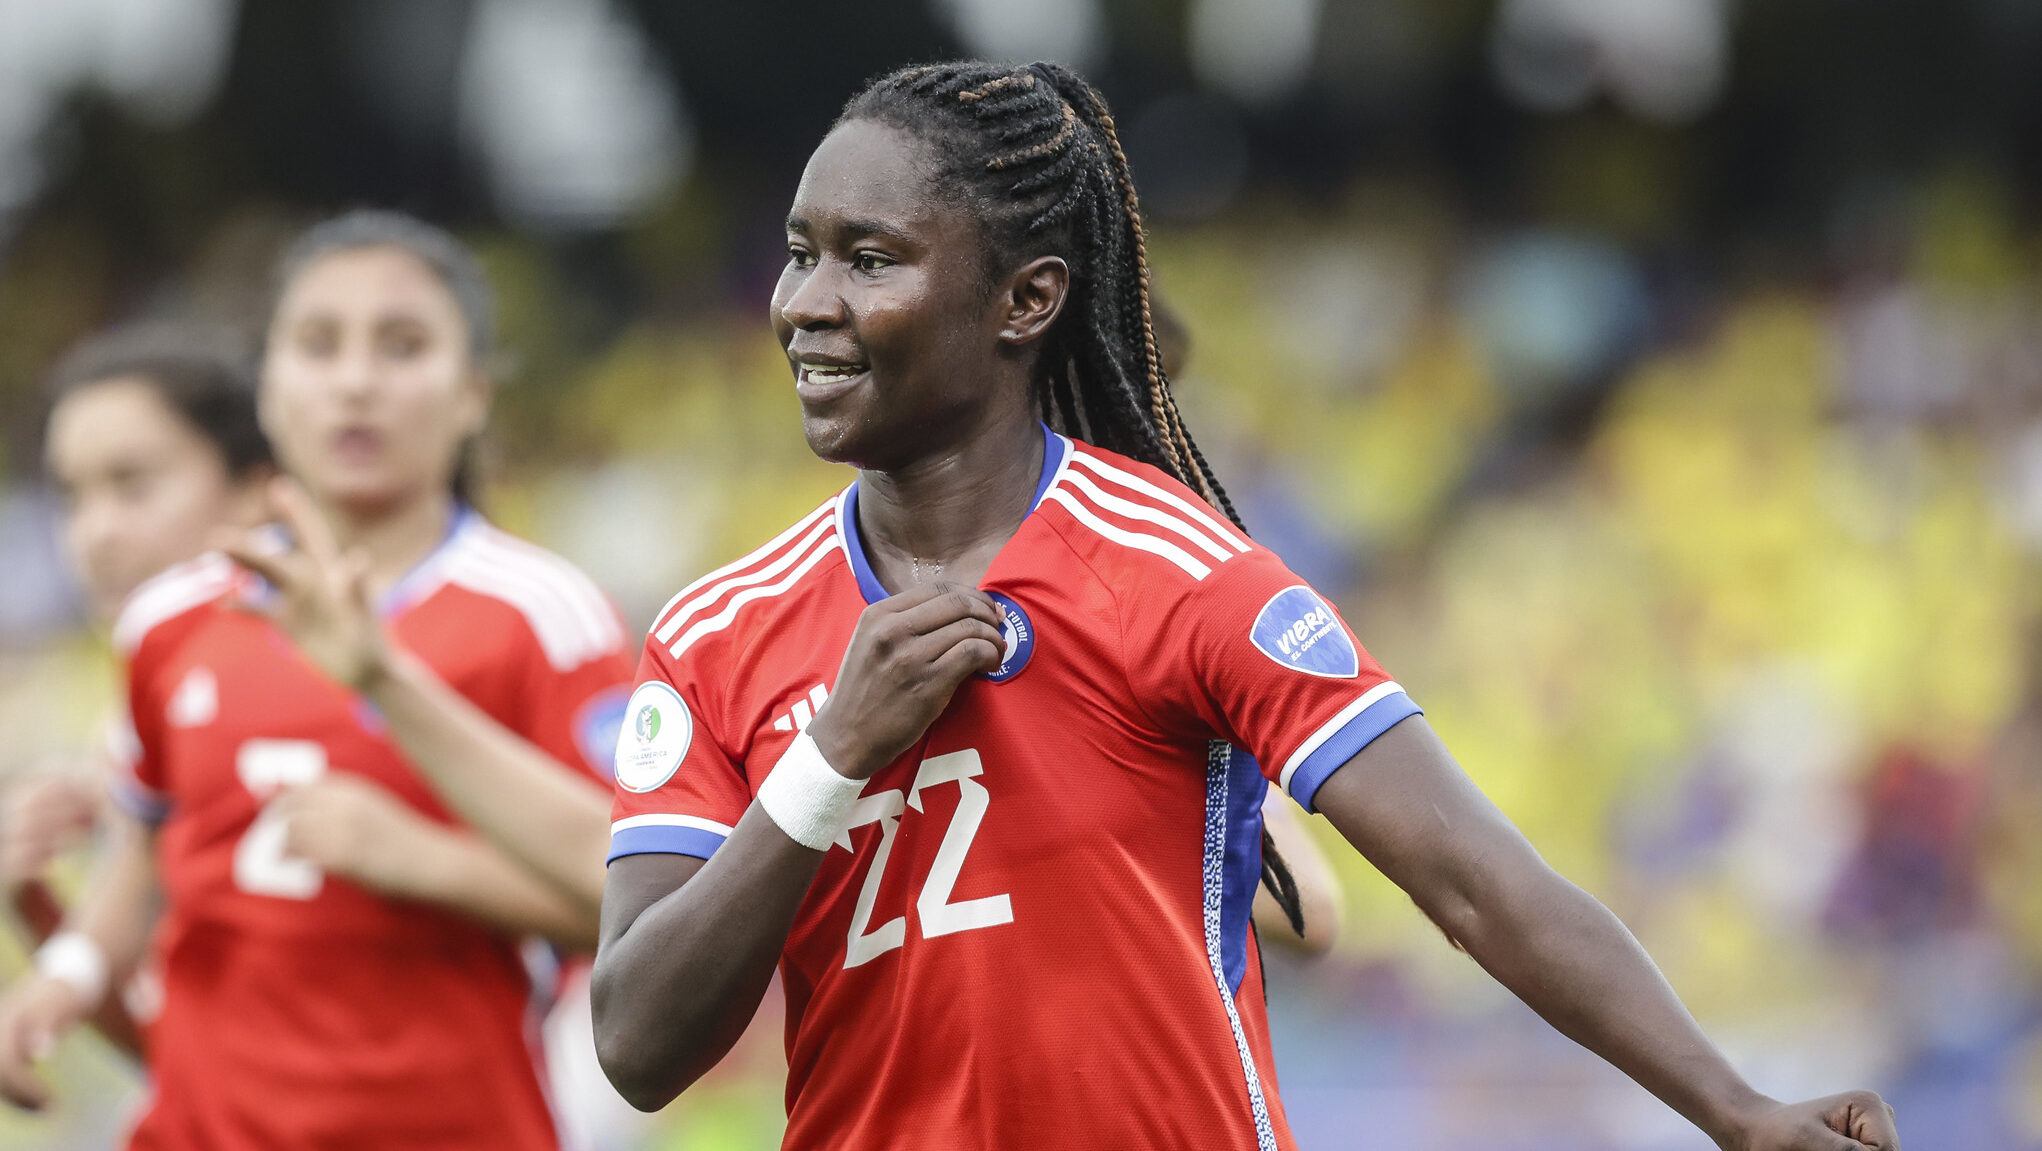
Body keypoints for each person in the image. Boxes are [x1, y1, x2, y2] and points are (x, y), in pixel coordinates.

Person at [592, 60, 1901, 1150]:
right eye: (800, 253)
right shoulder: (717, 630)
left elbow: (1475, 880)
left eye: (868, 259)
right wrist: (829, 760)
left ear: (1026, 299)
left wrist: (1734, 1109)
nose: (807, 304)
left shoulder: (1175, 570)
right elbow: (638, 1043)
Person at [0, 210, 632, 1151]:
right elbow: (149, 850)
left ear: (472, 394)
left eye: (402, 345)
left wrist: (425, 859)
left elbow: (638, 906)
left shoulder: (543, 615)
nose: (355, 381)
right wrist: (70, 968)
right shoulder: (168, 621)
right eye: (318, 343)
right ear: (269, 388)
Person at [5, 327, 279, 1055]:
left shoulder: (336, 688)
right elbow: (178, 1052)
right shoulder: (141, 695)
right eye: (72, 496)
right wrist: (31, 903)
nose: (95, 532)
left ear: (255, 487)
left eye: (132, 484)